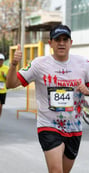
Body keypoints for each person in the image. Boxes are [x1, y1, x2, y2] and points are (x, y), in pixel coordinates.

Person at [6, 24, 89, 173]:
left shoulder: (84, 64)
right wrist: (13, 65)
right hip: (49, 125)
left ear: (71, 42)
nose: (61, 43)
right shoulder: (39, 64)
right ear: (50, 43)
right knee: (56, 171)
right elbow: (11, 84)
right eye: (57, 39)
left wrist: (87, 91)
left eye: (65, 39)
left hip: (74, 128)